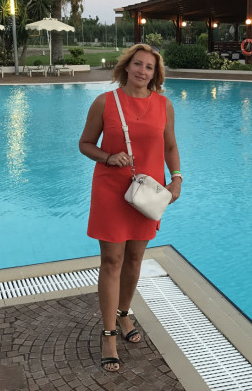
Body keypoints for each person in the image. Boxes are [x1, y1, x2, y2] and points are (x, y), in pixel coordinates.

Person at [78, 43, 182, 372]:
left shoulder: (164, 105)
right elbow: (85, 144)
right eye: (138, 64)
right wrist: (108, 157)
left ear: (155, 74)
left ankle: (124, 314)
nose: (142, 71)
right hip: (111, 191)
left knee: (135, 259)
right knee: (112, 261)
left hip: (146, 194)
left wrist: (176, 178)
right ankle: (108, 334)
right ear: (127, 66)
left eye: (149, 67)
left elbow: (170, 146)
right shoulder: (104, 102)